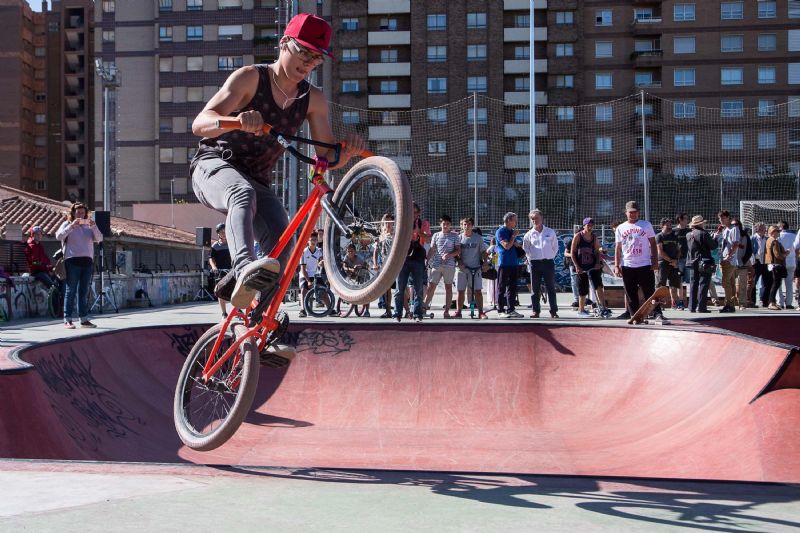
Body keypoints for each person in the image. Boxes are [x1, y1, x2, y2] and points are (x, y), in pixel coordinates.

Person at [190, 13, 365, 311]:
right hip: (214, 165)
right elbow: (199, 123)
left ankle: (261, 327)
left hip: (257, 181)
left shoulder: (313, 99)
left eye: (316, 59)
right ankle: (243, 266)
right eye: (303, 53)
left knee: (282, 249)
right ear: (284, 43)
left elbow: (323, 156)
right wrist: (236, 122)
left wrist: (342, 155)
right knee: (240, 194)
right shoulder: (250, 78)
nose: (307, 64)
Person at [55, 202, 103, 329]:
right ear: (73, 213)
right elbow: (59, 236)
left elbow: (100, 239)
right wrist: (71, 226)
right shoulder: (67, 224)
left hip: (87, 262)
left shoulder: (89, 226)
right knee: (70, 291)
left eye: (83, 212)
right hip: (72, 261)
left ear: (86, 213)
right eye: (78, 212)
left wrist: (94, 227)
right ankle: (68, 319)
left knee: (84, 291)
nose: (81, 214)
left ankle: (84, 319)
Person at [614, 201, 661, 320]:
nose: (633, 214)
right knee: (630, 292)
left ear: (638, 213)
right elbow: (618, 248)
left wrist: (655, 261)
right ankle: (634, 314)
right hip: (628, 265)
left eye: (635, 212)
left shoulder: (646, 225)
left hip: (644, 264)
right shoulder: (620, 228)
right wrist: (616, 265)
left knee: (649, 291)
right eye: (630, 212)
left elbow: (653, 244)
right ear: (626, 213)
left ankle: (656, 313)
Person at [571, 217, 612, 318]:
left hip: (593, 266)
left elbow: (597, 251)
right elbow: (572, 252)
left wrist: (597, 263)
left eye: (591, 226)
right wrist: (577, 266)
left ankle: (603, 308)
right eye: (588, 225)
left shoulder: (594, 237)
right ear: (584, 225)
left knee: (598, 286)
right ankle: (581, 310)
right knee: (583, 288)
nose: (590, 227)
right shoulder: (578, 236)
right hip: (581, 267)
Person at [393, 203, 427, 323]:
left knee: (418, 288)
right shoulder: (402, 223)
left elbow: (427, 237)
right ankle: (397, 313)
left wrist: (418, 232)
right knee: (399, 288)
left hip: (417, 258)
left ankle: (418, 314)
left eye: (414, 212)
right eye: (409, 212)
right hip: (403, 258)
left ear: (418, 213)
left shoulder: (423, 223)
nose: (412, 215)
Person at [522, 209, 559, 318]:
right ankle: (536, 311)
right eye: (532, 219)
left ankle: (553, 311)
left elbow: (555, 247)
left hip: (548, 263)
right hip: (534, 264)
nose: (535, 220)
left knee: (551, 287)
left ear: (541, 218)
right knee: (535, 289)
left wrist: (550, 256)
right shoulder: (528, 235)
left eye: (536, 218)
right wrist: (531, 258)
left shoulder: (550, 232)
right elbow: (526, 249)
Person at [424, 215, 460, 318]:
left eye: (447, 224)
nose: (445, 226)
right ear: (440, 224)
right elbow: (432, 249)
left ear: (450, 225)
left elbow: (458, 250)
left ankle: (447, 311)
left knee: (448, 287)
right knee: (431, 286)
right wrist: (427, 259)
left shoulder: (454, 236)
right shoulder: (436, 235)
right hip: (436, 264)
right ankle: (424, 307)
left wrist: (449, 255)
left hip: (449, 266)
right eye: (444, 224)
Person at [455, 217, 488, 319]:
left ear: (472, 225)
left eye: (468, 224)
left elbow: (483, 252)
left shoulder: (478, 238)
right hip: (462, 269)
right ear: (461, 226)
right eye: (464, 224)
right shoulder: (458, 238)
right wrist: (459, 261)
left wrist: (485, 263)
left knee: (478, 291)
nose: (466, 226)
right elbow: (455, 252)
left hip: (476, 268)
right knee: (460, 291)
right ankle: (458, 312)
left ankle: (481, 312)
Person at [495, 212, 523, 318]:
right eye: (515, 220)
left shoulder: (511, 232)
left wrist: (517, 243)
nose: (516, 222)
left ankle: (511, 309)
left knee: (512, 287)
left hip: (514, 263)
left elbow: (515, 245)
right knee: (501, 287)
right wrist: (513, 236)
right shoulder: (501, 231)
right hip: (504, 263)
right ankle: (500, 310)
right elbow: (506, 246)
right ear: (508, 220)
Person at [686, 215, 716, 313]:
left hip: (692, 262)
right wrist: (714, 238)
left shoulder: (688, 235)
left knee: (693, 284)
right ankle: (702, 307)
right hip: (704, 262)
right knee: (703, 284)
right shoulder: (704, 234)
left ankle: (692, 306)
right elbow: (712, 246)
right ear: (701, 224)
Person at [713, 210, 740, 313]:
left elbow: (736, 244)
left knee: (725, 282)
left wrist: (728, 256)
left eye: (723, 218)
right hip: (723, 259)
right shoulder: (725, 230)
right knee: (730, 283)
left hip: (729, 260)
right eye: (720, 219)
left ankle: (729, 303)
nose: (721, 220)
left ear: (728, 218)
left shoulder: (734, 229)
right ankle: (731, 303)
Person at [655, 218, 682, 310]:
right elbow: (660, 251)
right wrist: (670, 260)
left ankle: (674, 304)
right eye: (667, 224)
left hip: (674, 264)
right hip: (663, 263)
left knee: (674, 284)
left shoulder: (675, 236)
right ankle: (659, 305)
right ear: (662, 225)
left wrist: (676, 261)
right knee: (661, 284)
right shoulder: (659, 236)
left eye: (671, 224)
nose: (670, 226)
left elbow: (679, 250)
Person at [208, 222, 232, 319]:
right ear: (218, 233)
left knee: (236, 291)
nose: (224, 234)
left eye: (225, 231)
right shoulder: (215, 246)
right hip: (220, 272)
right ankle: (224, 313)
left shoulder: (231, 243)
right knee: (220, 292)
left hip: (232, 270)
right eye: (221, 232)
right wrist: (214, 267)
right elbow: (210, 258)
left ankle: (238, 311)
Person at [373, 213, 395, 318]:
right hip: (384, 264)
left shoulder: (395, 235)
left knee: (401, 288)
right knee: (386, 288)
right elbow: (376, 250)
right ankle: (388, 309)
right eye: (386, 222)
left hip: (395, 263)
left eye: (390, 222)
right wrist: (375, 263)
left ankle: (407, 309)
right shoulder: (381, 236)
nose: (388, 224)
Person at [299, 232, 325, 317]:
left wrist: (321, 262)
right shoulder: (303, 252)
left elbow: (322, 260)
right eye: (312, 240)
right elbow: (303, 269)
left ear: (317, 241)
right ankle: (302, 310)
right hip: (305, 275)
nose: (313, 241)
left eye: (315, 240)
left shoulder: (319, 251)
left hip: (315, 274)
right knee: (303, 290)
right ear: (308, 241)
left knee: (324, 291)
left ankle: (331, 309)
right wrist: (308, 281)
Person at [25, 226, 57, 290]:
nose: (39, 236)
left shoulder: (39, 246)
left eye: (40, 234)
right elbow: (34, 262)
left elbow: (45, 259)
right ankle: (56, 298)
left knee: (57, 279)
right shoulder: (31, 246)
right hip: (35, 272)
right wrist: (45, 266)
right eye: (37, 234)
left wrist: (50, 267)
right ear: (33, 235)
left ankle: (57, 298)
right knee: (52, 286)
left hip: (42, 271)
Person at [765, 225, 788, 310]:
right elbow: (777, 255)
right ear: (773, 232)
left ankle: (772, 302)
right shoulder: (774, 241)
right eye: (777, 231)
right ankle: (771, 302)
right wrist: (785, 255)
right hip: (776, 264)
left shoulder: (768, 240)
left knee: (774, 284)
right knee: (776, 284)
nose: (779, 233)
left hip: (771, 264)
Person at [778, 221, 798, 309]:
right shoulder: (794, 236)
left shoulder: (778, 237)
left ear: (781, 227)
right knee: (789, 283)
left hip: (781, 262)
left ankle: (780, 302)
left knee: (778, 283)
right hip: (792, 261)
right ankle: (789, 303)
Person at [751, 222, 770, 308]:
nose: (764, 230)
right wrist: (752, 260)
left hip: (766, 262)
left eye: (764, 228)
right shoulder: (752, 238)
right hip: (756, 262)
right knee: (754, 282)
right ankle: (753, 301)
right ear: (757, 229)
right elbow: (750, 251)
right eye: (762, 228)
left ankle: (764, 300)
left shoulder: (767, 238)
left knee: (767, 282)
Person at [674, 213, 691, 308]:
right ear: (680, 220)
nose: (687, 220)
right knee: (679, 282)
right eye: (685, 218)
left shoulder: (689, 231)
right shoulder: (674, 231)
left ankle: (692, 300)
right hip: (679, 260)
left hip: (689, 259)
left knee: (691, 280)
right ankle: (680, 302)